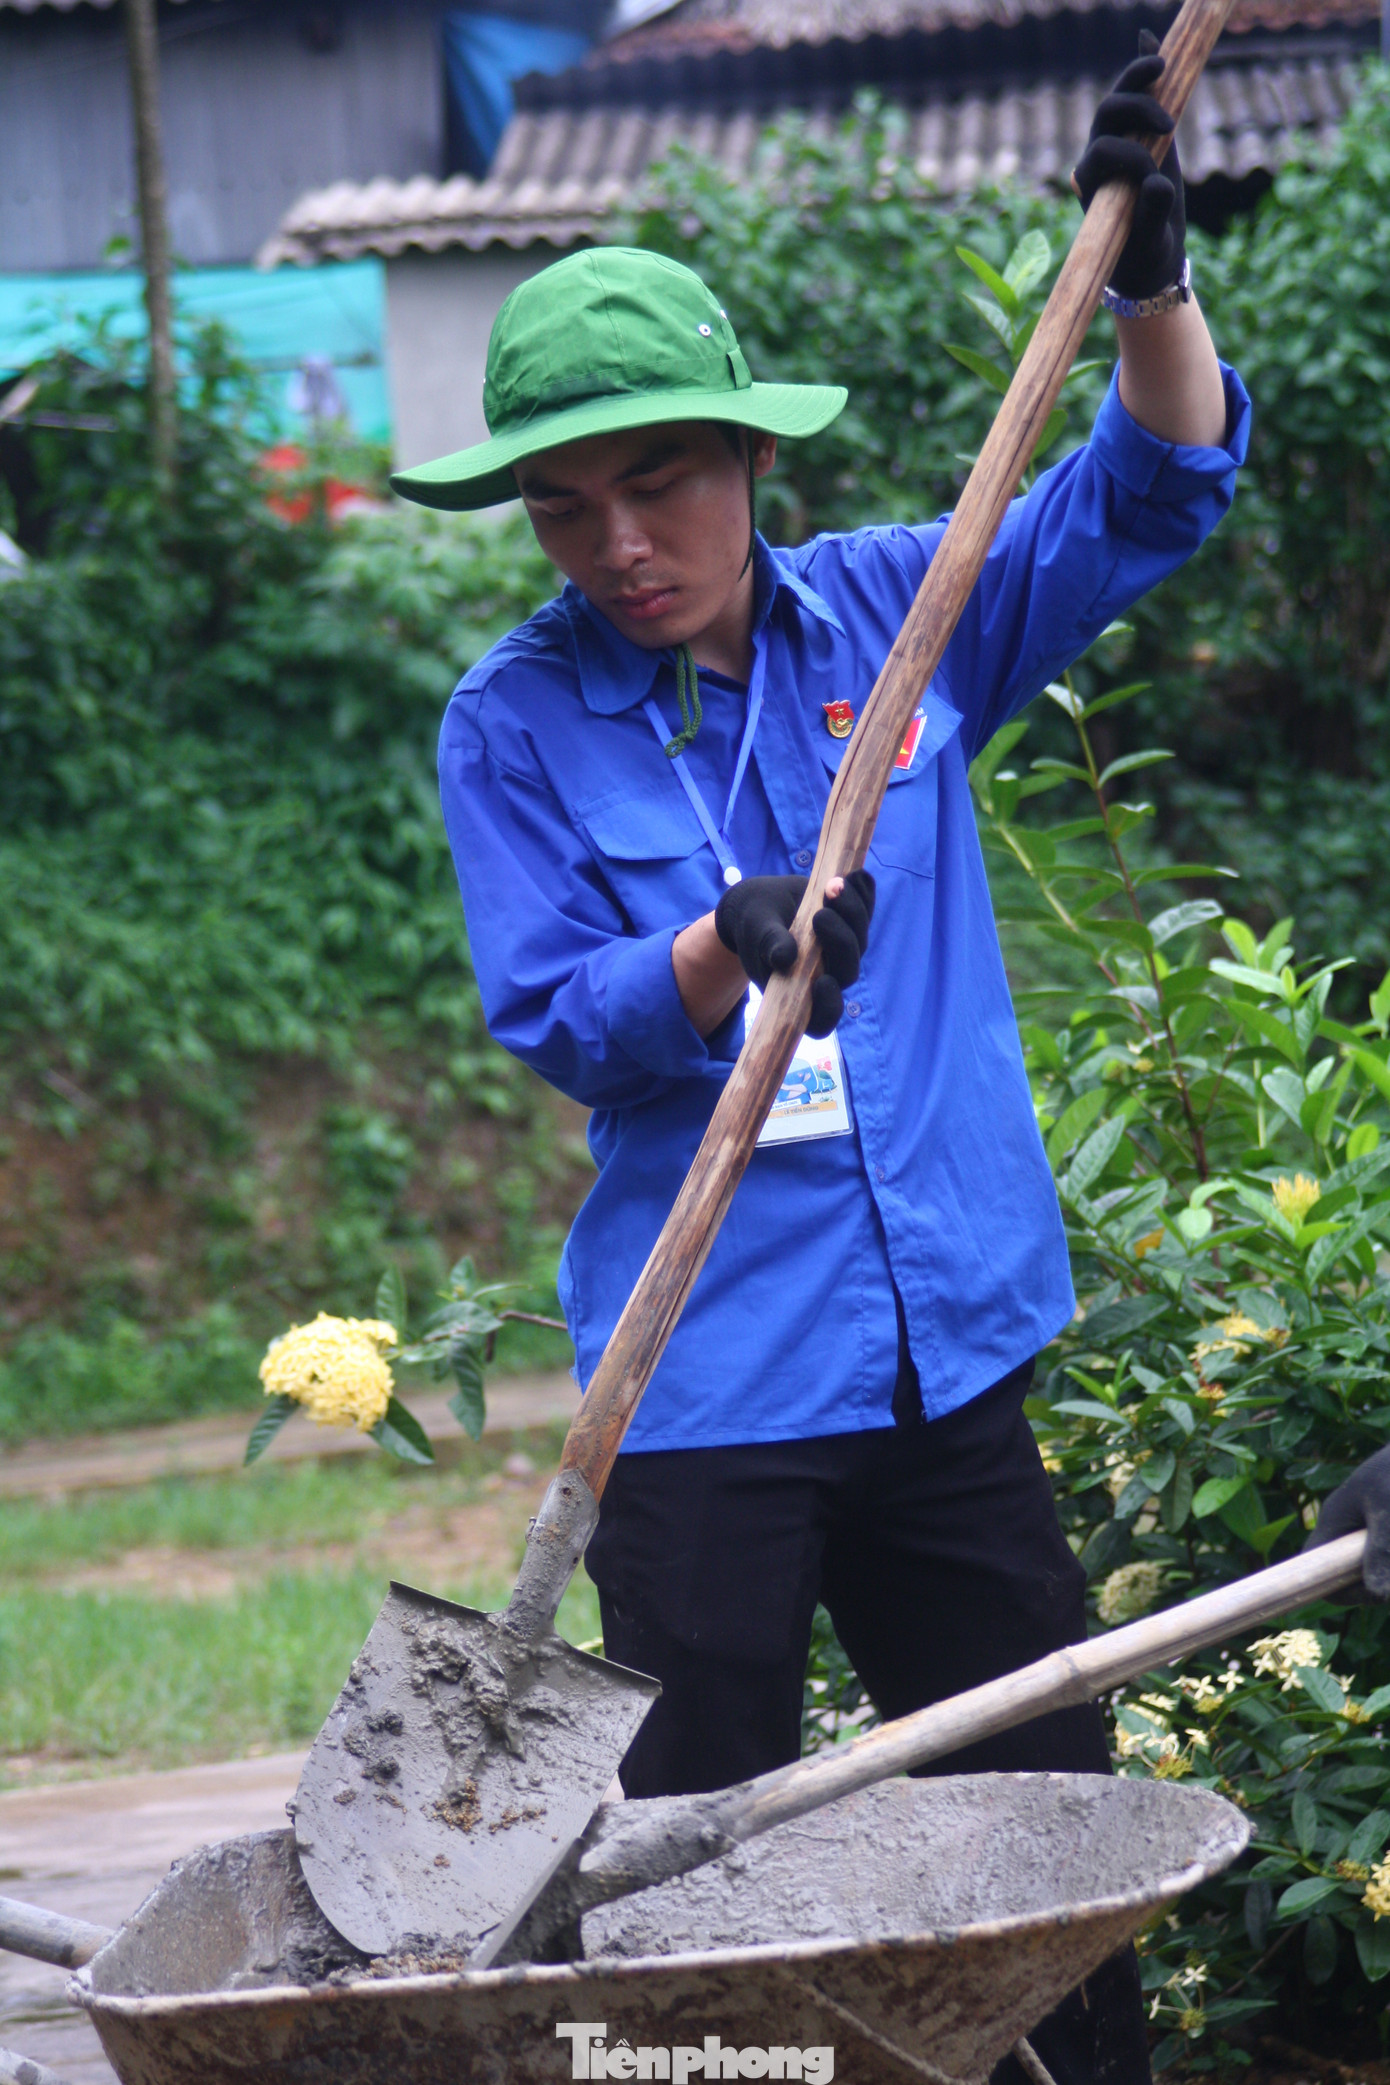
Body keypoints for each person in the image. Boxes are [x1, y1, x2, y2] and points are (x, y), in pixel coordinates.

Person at [396, 44, 1390, 2085]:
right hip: (705, 1393)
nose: (613, 542)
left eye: (655, 483)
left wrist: (1146, 282)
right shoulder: (508, 724)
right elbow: (552, 1012)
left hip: (947, 1359)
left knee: (1044, 1817)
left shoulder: (896, 619)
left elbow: (1153, 486)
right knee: (683, 1877)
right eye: (562, 504)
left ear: (747, 463)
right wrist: (711, 943)